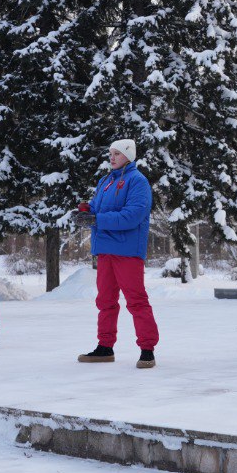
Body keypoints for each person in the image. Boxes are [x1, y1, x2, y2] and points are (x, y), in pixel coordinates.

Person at [77, 139, 160, 368]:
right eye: (110, 153)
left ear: (129, 156)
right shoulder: (105, 181)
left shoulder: (138, 182)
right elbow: (96, 208)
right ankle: (105, 347)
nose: (111, 157)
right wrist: (86, 211)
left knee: (136, 300)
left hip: (127, 250)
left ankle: (147, 349)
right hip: (104, 249)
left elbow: (132, 215)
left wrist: (98, 219)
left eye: (117, 153)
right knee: (105, 300)